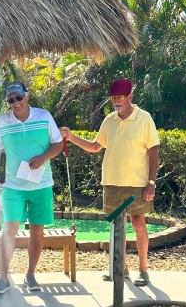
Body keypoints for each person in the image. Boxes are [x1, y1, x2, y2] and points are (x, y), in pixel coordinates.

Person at [60, 78, 160, 286]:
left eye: (120, 97)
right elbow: (95, 146)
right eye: (114, 98)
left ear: (130, 97)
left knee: (138, 223)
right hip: (112, 182)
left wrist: (151, 182)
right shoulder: (109, 120)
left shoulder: (144, 118)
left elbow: (154, 151)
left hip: (137, 183)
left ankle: (143, 271)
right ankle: (120, 268)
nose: (116, 101)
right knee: (117, 225)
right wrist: (71, 137)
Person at [0, 81, 63, 294]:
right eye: (11, 100)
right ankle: (3, 278)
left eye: (19, 97)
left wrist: (43, 157)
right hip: (13, 187)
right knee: (9, 229)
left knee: (37, 232)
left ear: (26, 96)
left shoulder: (44, 116)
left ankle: (30, 275)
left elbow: (58, 143)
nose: (15, 102)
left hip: (42, 184)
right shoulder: (2, 122)